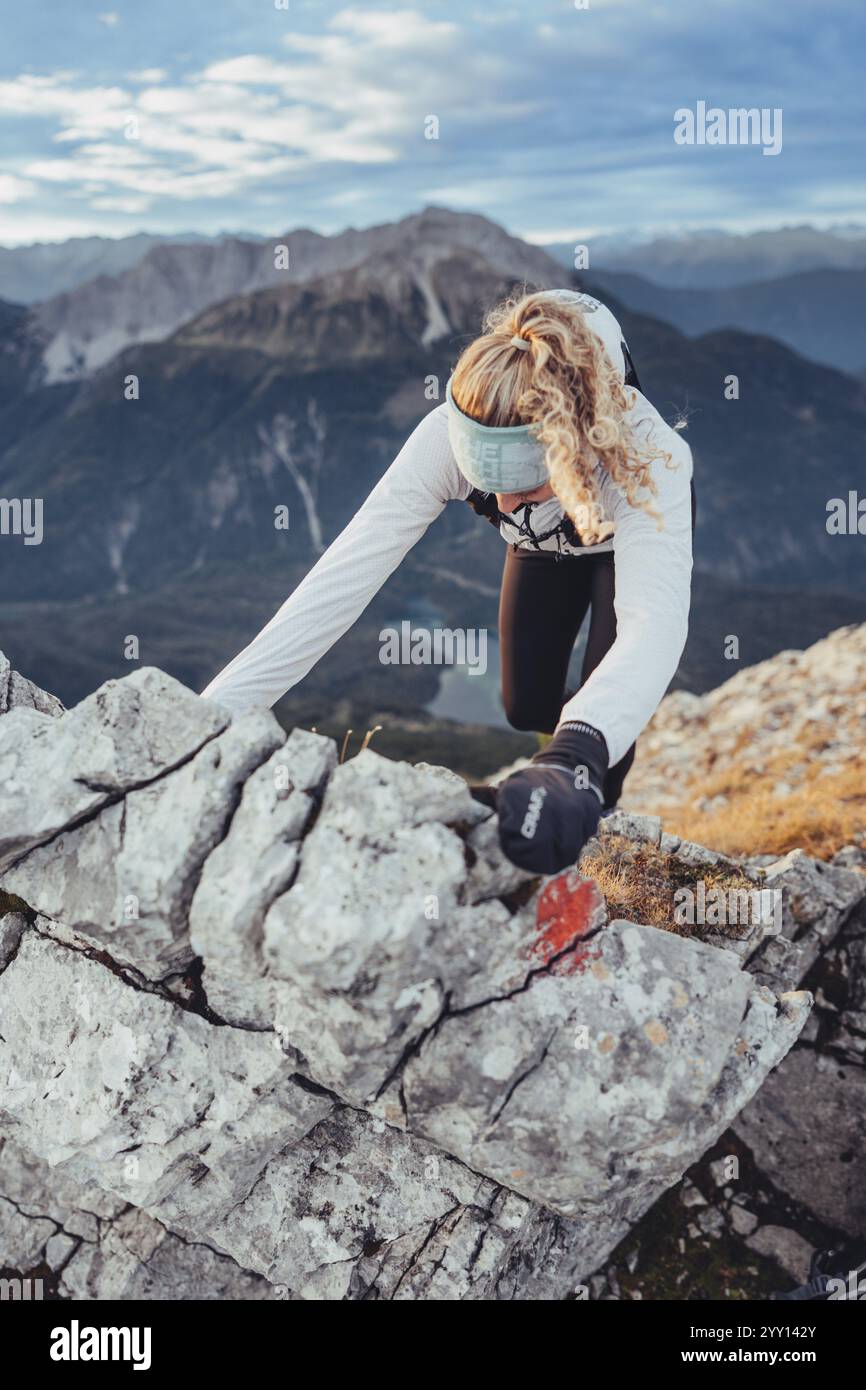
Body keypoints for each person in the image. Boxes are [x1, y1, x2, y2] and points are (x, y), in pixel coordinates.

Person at [201, 288, 694, 876]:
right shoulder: (445, 437)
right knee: (526, 704)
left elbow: (652, 628)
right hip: (539, 546)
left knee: (599, 697)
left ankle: (592, 814)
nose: (502, 502)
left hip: (619, 539)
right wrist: (212, 719)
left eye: (524, 483)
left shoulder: (648, 458)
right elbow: (338, 582)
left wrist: (573, 756)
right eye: (483, 478)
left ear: (574, 448)